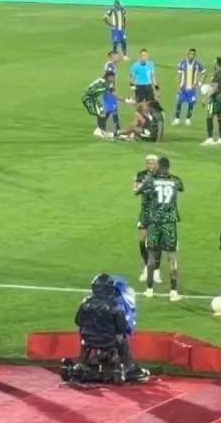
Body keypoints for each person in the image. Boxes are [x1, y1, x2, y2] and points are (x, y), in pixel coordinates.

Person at [74, 274, 148, 381]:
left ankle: (82, 362)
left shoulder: (85, 303)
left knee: (83, 331)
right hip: (108, 341)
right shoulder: (114, 307)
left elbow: (78, 321)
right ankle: (129, 366)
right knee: (121, 337)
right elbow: (122, 328)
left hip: (88, 340)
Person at [143, 157, 183, 302]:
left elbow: (141, 192)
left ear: (158, 166)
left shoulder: (151, 180)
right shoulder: (175, 180)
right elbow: (181, 188)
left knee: (151, 256)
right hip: (170, 223)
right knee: (172, 257)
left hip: (155, 222)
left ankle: (149, 289)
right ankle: (173, 291)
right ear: (169, 167)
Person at [133, 156, 161, 284]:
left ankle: (156, 270)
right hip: (145, 213)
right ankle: (146, 266)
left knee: (157, 243)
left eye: (153, 163)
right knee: (142, 240)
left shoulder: (162, 176)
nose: (151, 165)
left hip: (158, 212)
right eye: (149, 163)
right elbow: (135, 191)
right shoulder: (141, 175)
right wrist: (145, 183)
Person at [173, 49, 205, 126]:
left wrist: (199, 83)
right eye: (191, 54)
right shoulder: (182, 63)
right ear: (188, 54)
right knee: (179, 103)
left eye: (193, 54)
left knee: (191, 104)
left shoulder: (197, 65)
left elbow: (204, 73)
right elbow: (178, 75)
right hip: (183, 88)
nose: (192, 56)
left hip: (192, 89)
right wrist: (178, 87)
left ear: (195, 56)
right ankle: (177, 119)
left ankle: (188, 119)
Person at [202, 57, 221, 146]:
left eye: (214, 63)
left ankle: (210, 139)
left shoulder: (216, 74)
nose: (213, 64)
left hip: (215, 98)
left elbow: (215, 88)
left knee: (209, 117)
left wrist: (206, 98)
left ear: (217, 64)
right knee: (220, 117)